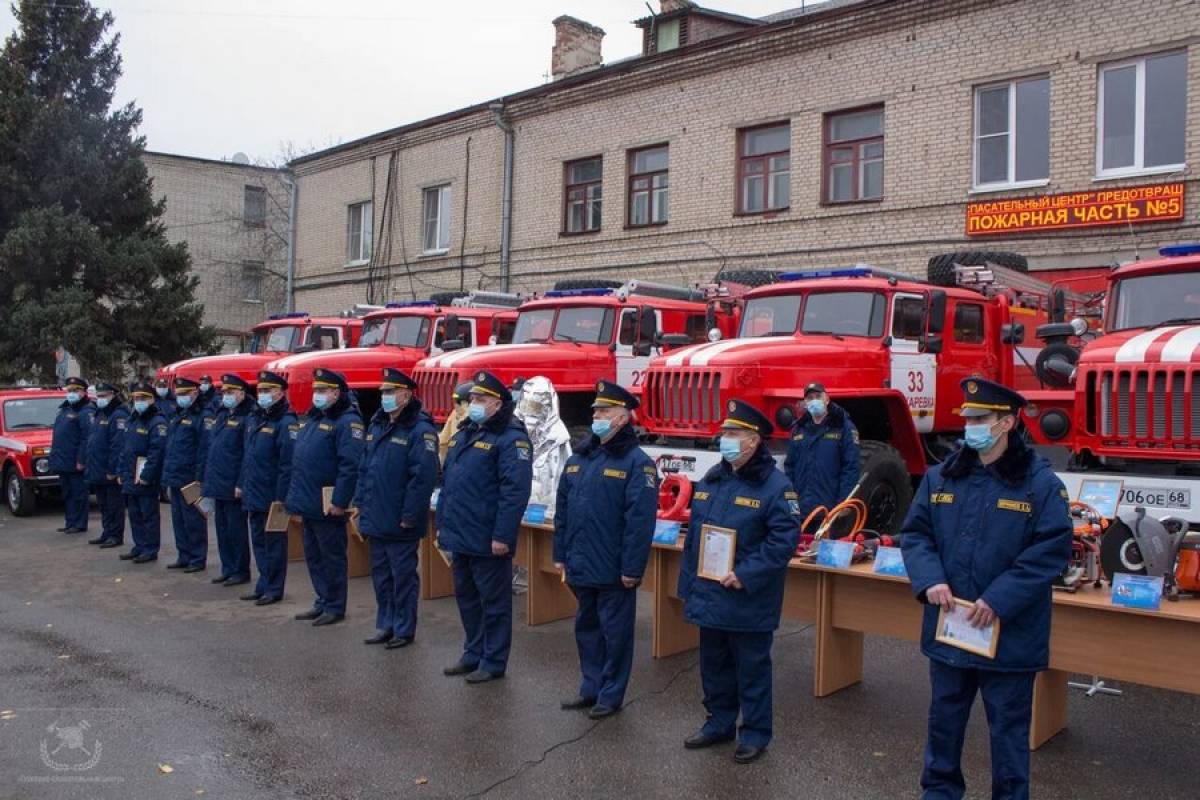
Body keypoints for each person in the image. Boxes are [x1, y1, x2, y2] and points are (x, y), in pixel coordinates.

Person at [901, 378, 1072, 800]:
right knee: (944, 722)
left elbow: (1050, 551)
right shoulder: (941, 477)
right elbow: (916, 535)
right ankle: (939, 792)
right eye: (968, 418)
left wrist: (998, 598)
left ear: (1008, 423)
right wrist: (930, 580)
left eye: (981, 419)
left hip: (1009, 637)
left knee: (1008, 734)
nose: (970, 426)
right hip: (951, 632)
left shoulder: (1040, 484)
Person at [678, 399, 803, 765]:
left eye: (733, 434)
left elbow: (784, 541)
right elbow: (697, 536)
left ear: (753, 441)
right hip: (710, 593)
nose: (725, 440)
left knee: (751, 668)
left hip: (747, 596)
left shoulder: (776, 487)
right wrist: (688, 586)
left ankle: (755, 733)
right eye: (724, 434)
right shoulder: (713, 479)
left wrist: (746, 574)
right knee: (713, 666)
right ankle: (718, 723)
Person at [553, 380, 657, 718]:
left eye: (605, 410)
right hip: (581, 562)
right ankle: (590, 687)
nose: (596, 415)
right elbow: (563, 511)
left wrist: (632, 569)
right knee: (587, 630)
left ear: (623, 418)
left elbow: (640, 523)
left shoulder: (637, 463)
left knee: (615, 634)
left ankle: (610, 695)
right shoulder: (580, 458)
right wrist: (560, 554)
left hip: (613, 568)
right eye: (595, 409)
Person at [438, 370, 532, 683]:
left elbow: (514, 491)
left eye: (480, 399)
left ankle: (493, 661)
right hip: (461, 533)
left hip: (488, 537)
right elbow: (450, 484)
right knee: (466, 597)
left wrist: (503, 536)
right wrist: (444, 527)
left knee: (494, 603)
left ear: (498, 403)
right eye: (471, 399)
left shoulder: (511, 438)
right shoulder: (466, 432)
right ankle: (473, 652)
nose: (473, 404)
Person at [354, 368, 438, 648]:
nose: (385, 397)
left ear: (406, 394)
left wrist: (410, 516)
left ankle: (403, 628)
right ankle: (385, 624)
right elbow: (365, 468)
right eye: (383, 392)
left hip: (401, 520)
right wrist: (360, 503)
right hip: (376, 515)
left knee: (402, 578)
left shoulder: (419, 430)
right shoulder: (377, 424)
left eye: (391, 392)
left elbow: (422, 478)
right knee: (381, 576)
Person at [285, 368, 365, 627]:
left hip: (328, 504)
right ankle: (322, 600)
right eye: (315, 390)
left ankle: (334, 605)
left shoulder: (347, 421)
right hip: (309, 502)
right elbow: (301, 460)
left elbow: (349, 466)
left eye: (322, 390)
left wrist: (340, 502)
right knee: (314, 555)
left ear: (336, 392)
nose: (316, 395)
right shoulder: (314, 417)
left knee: (332, 557)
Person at [237, 370, 297, 605]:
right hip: (254, 491)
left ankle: (274, 588)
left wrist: (281, 498)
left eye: (267, 390)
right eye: (260, 390)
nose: (262, 394)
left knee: (274, 544)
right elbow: (248, 456)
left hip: (272, 495)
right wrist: (242, 484)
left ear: (280, 392)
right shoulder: (255, 418)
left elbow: (287, 464)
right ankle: (263, 584)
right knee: (259, 542)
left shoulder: (285, 422)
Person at [202, 373, 256, 587]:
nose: (226, 395)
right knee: (222, 530)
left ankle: (240, 570)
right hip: (218, 481)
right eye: (224, 392)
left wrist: (241, 483)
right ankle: (228, 567)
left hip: (233, 483)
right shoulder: (223, 415)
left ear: (242, 393)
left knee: (236, 530)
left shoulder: (247, 418)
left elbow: (246, 454)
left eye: (230, 392)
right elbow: (214, 449)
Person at [784, 382, 860, 526]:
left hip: (830, 510)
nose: (814, 401)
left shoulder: (843, 427)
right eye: (810, 398)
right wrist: (791, 501)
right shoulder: (798, 430)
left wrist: (844, 501)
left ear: (827, 399)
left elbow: (851, 467)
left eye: (818, 396)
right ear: (805, 403)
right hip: (801, 510)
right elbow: (790, 467)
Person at [116, 382, 168, 563]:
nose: (138, 402)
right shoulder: (133, 419)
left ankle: (150, 548)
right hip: (130, 474)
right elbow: (125, 449)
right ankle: (139, 545)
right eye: (136, 398)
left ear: (152, 399)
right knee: (135, 514)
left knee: (149, 515)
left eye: (143, 398)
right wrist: (121, 472)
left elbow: (157, 452)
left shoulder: (157, 422)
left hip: (145, 477)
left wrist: (147, 476)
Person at [161, 378, 209, 572]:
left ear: (195, 393)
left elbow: (203, 450)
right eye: (179, 393)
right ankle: (184, 555)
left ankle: (197, 558)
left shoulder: (202, 416)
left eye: (185, 393)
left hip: (190, 478)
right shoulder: (178, 414)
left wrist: (199, 477)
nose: (181, 397)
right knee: (178, 519)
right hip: (175, 475)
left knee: (193, 519)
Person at [84, 382, 129, 549]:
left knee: (114, 505)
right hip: (97, 467)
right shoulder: (101, 413)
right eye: (99, 396)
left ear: (112, 395)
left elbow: (117, 445)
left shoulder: (118, 415)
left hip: (109, 470)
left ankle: (115, 535)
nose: (100, 399)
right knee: (103, 504)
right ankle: (107, 531)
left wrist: (113, 470)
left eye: (103, 396)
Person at [49, 376, 93, 535]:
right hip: (63, 460)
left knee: (79, 494)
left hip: (75, 462)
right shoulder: (65, 409)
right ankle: (70, 522)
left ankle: (79, 523)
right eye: (70, 390)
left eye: (76, 390)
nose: (72, 393)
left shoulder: (86, 411)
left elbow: (86, 438)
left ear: (83, 392)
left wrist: (81, 459)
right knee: (67, 493)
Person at [438, 381, 473, 464]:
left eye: (457, 402)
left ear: (466, 403)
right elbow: (443, 441)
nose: (455, 405)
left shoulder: (474, 418)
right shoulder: (454, 414)